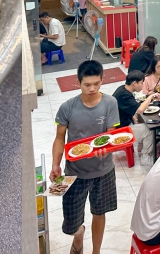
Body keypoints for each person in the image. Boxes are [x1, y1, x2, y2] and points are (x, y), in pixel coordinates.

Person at [51, 60, 121, 254]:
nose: (92, 88)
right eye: (87, 84)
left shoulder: (110, 103)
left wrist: (106, 148)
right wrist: (55, 164)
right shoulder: (67, 107)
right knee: (71, 224)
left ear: (101, 81)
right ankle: (79, 234)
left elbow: (110, 136)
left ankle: (95, 251)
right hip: (75, 172)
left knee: (99, 213)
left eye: (96, 84)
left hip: (103, 171)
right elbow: (59, 138)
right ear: (78, 83)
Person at [113, 70, 156, 165]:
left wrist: (135, 119)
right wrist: (151, 97)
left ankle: (141, 148)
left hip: (121, 124)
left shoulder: (122, 89)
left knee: (141, 122)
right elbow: (140, 110)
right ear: (134, 83)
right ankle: (145, 157)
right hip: (118, 131)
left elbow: (128, 108)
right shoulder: (125, 95)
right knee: (150, 129)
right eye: (141, 83)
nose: (142, 85)